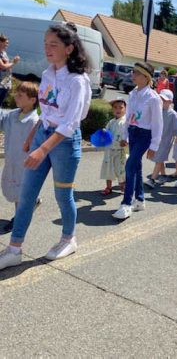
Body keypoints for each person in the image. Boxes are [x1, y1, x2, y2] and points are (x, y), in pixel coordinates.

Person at [0, 23, 92, 271]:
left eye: (54, 44)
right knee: (26, 195)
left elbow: (71, 123)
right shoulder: (49, 73)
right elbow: (46, 110)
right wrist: (33, 135)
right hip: (43, 135)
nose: (47, 48)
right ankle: (14, 249)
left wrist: (42, 150)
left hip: (64, 143)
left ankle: (68, 238)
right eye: (45, 43)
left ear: (69, 48)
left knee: (63, 196)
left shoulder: (78, 81)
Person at [112, 62, 163, 220]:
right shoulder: (133, 93)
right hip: (133, 133)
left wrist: (154, 145)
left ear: (145, 77)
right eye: (132, 72)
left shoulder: (153, 98)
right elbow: (128, 117)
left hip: (144, 135)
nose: (132, 75)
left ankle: (126, 203)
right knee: (137, 167)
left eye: (136, 73)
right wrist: (125, 135)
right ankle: (140, 199)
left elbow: (157, 123)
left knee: (130, 166)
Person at [0, 82, 40, 234]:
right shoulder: (12, 115)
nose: (16, 96)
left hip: (25, 163)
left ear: (32, 100)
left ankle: (18, 219)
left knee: (21, 193)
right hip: (12, 160)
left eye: (21, 95)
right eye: (17, 93)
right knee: (14, 188)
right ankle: (31, 203)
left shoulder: (34, 122)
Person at [145, 89, 177, 189]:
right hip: (156, 140)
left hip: (166, 141)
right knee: (159, 159)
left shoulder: (173, 114)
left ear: (170, 102)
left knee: (159, 158)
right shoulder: (157, 111)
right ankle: (163, 175)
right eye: (160, 99)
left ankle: (152, 179)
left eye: (164, 100)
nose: (162, 102)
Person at [100, 98, 128, 196]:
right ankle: (109, 187)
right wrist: (104, 133)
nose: (118, 110)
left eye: (121, 107)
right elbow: (107, 132)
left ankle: (123, 186)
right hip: (109, 149)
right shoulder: (111, 122)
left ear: (125, 109)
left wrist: (126, 141)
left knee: (120, 169)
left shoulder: (125, 122)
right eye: (115, 107)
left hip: (120, 150)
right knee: (108, 168)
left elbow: (128, 134)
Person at [0, 34, 20, 107]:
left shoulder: (3, 53)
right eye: (6, 43)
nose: (7, 45)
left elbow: (8, 65)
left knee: (1, 102)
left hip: (5, 82)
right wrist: (14, 62)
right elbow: (2, 66)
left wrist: (12, 62)